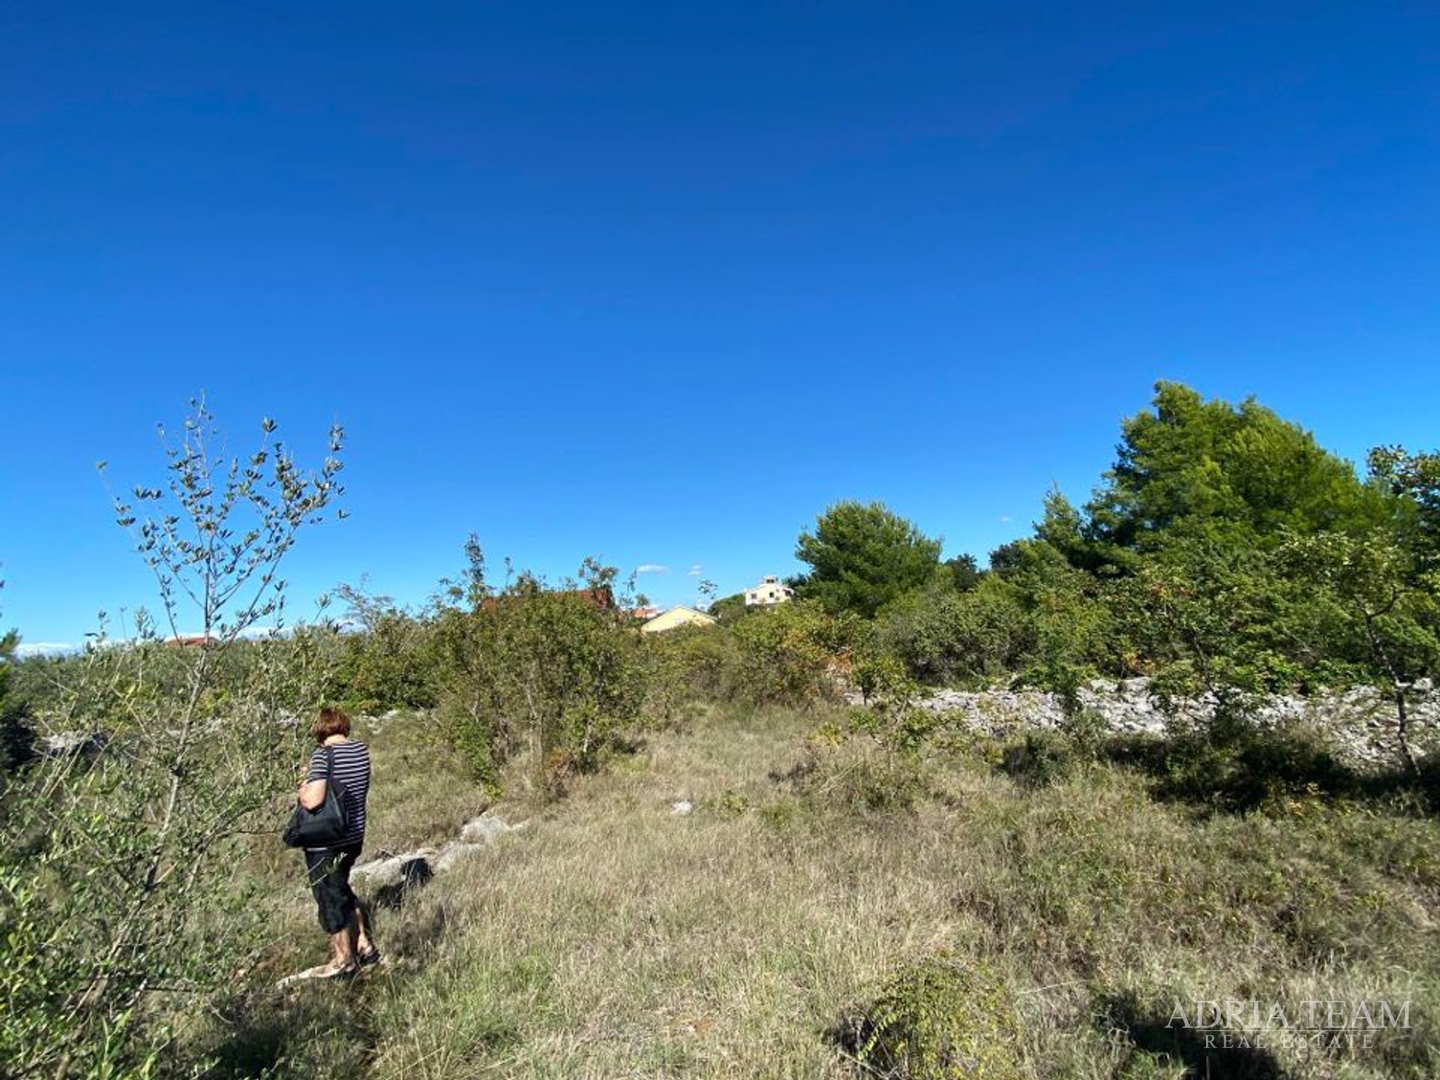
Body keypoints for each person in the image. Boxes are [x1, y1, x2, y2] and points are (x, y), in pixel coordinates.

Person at [295, 706, 378, 978]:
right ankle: (364, 945)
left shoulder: (322, 755)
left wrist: (302, 786)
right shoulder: (360, 751)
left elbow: (313, 800)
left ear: (320, 731)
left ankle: (344, 961)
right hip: (353, 836)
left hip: (327, 842)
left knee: (329, 897)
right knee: (340, 887)